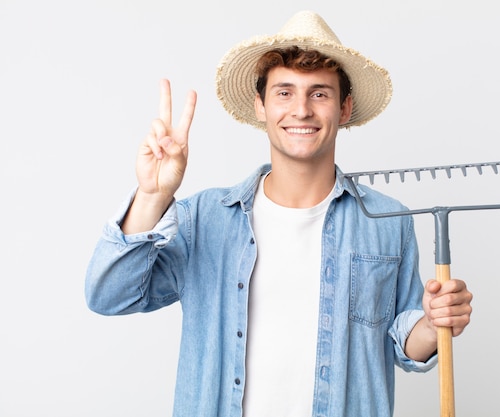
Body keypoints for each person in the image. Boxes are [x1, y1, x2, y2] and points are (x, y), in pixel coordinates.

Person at [85, 10, 473, 417]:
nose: (301, 110)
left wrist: (433, 324)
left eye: (319, 93)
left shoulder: (387, 221)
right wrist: (151, 196)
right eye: (284, 92)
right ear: (260, 106)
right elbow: (109, 295)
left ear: (344, 109)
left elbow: (402, 342)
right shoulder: (206, 218)